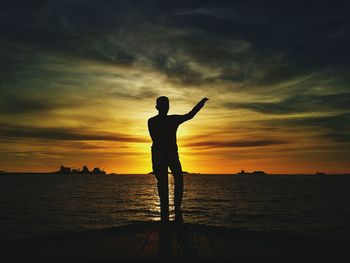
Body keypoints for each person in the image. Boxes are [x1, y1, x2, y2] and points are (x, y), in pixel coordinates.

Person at [148, 96, 209, 222]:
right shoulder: (155, 121)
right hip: (162, 155)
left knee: (177, 180)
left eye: (166, 105)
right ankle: (167, 211)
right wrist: (201, 103)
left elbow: (190, 115)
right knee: (164, 183)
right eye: (163, 105)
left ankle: (176, 209)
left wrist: (201, 103)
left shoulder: (166, 120)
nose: (165, 108)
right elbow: (155, 138)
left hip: (167, 155)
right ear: (158, 107)